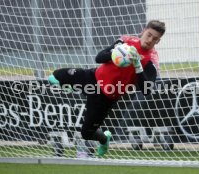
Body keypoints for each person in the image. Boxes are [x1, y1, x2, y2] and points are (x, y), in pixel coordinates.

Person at [48, 20, 166, 156]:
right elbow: (99, 57)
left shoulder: (151, 60)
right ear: (143, 31)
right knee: (56, 76)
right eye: (149, 35)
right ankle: (72, 87)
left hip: (106, 96)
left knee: (86, 133)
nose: (150, 40)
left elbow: (147, 90)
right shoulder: (125, 41)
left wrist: (138, 65)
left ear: (158, 41)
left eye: (155, 38)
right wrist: (116, 54)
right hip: (93, 77)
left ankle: (105, 139)